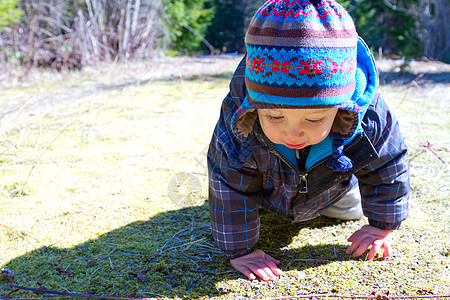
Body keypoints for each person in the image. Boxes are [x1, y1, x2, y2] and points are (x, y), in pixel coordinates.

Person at [207, 0, 410, 281]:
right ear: (255, 106)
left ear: (342, 107)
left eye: (314, 119)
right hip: (266, 191)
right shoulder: (240, 120)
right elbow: (227, 181)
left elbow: (389, 164)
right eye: (274, 117)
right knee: (244, 198)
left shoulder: (369, 117)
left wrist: (381, 226)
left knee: (348, 212)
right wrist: (241, 250)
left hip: (333, 186)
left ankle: (334, 203)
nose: (292, 134)